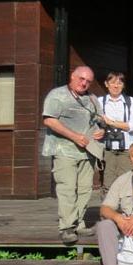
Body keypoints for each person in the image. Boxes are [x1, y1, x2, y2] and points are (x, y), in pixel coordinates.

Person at [41, 65, 106, 244]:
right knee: (67, 188)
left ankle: (78, 223)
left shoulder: (92, 98)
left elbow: (100, 121)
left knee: (85, 189)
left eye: (88, 81)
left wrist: (101, 130)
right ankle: (67, 227)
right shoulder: (57, 95)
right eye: (81, 79)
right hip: (64, 150)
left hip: (88, 152)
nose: (84, 83)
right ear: (72, 76)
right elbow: (49, 120)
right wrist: (74, 136)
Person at [98, 72, 133, 197]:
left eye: (119, 83)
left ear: (123, 85)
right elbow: (97, 122)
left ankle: (126, 207)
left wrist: (111, 122)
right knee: (108, 182)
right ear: (106, 84)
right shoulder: (100, 101)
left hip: (126, 147)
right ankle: (108, 207)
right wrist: (121, 125)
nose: (116, 86)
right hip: (107, 147)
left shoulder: (130, 101)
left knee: (127, 181)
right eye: (113, 83)